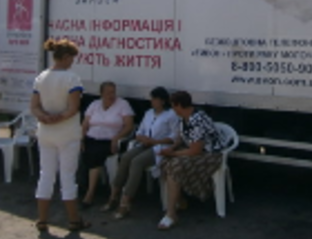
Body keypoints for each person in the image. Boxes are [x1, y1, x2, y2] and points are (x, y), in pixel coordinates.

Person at [31, 38, 90, 232]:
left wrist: (44, 117)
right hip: (67, 133)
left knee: (46, 175)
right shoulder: (72, 78)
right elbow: (73, 108)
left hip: (45, 132)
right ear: (65, 57)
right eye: (72, 58)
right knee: (67, 177)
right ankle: (73, 220)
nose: (73, 62)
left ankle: (42, 219)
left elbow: (34, 107)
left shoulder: (41, 77)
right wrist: (59, 117)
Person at [103, 86, 178, 219]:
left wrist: (155, 141)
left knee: (137, 162)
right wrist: (143, 138)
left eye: (154, 99)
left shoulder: (171, 115)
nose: (152, 101)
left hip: (159, 147)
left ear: (162, 101)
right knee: (125, 158)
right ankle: (114, 195)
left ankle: (126, 201)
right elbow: (139, 131)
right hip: (145, 144)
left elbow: (175, 136)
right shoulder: (149, 113)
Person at [157, 91, 224, 230]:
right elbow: (182, 138)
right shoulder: (184, 118)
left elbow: (196, 150)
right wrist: (171, 149)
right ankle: (179, 199)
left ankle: (171, 214)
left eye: (173, 106)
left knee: (175, 165)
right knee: (165, 162)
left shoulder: (197, 120)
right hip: (196, 151)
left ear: (179, 106)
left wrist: (174, 154)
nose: (172, 109)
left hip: (210, 155)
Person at [81, 81, 134, 208]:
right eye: (108, 93)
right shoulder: (94, 104)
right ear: (101, 93)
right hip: (91, 138)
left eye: (113, 92)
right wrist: (81, 139)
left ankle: (90, 193)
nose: (111, 95)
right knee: (86, 151)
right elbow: (85, 124)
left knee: (95, 155)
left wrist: (116, 138)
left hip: (109, 140)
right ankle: (85, 189)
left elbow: (129, 126)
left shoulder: (123, 104)